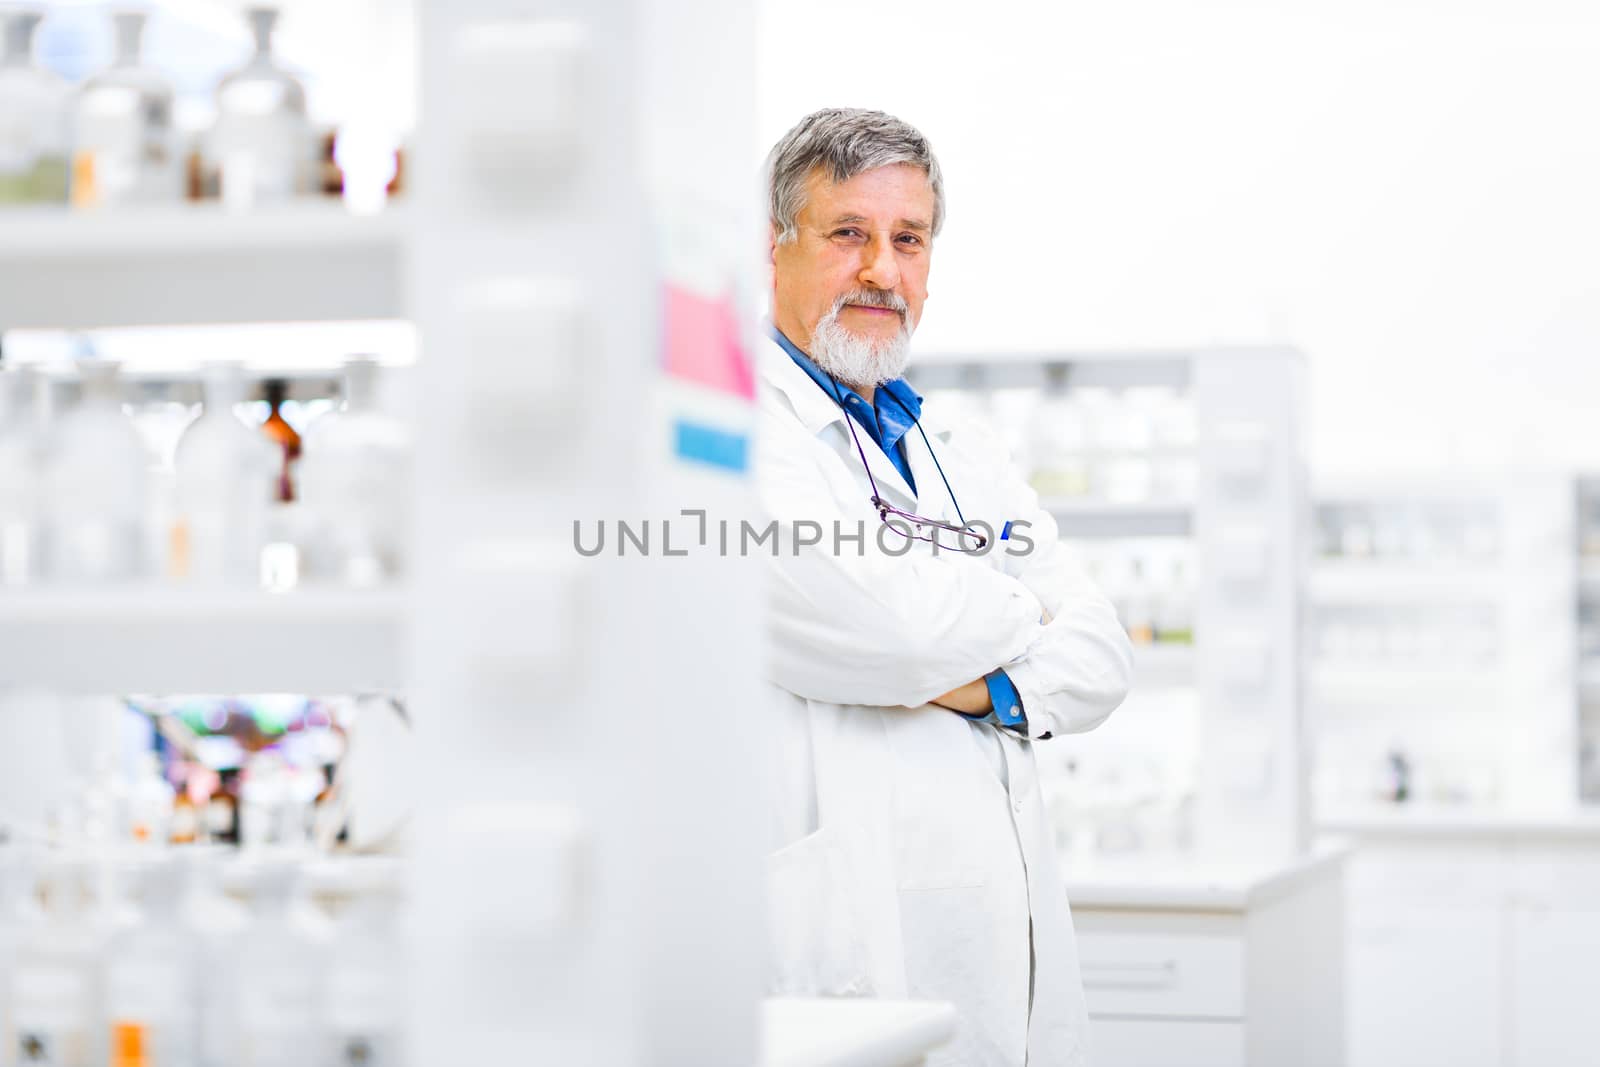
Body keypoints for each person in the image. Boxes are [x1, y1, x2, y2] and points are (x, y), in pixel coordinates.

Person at [757, 108, 1134, 1067]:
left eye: (908, 240)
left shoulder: (959, 446)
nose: (883, 269)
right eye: (849, 234)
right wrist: (1010, 606)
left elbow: (1099, 656)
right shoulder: (745, 435)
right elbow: (901, 632)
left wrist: (985, 683)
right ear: (777, 245)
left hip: (999, 938)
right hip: (855, 949)